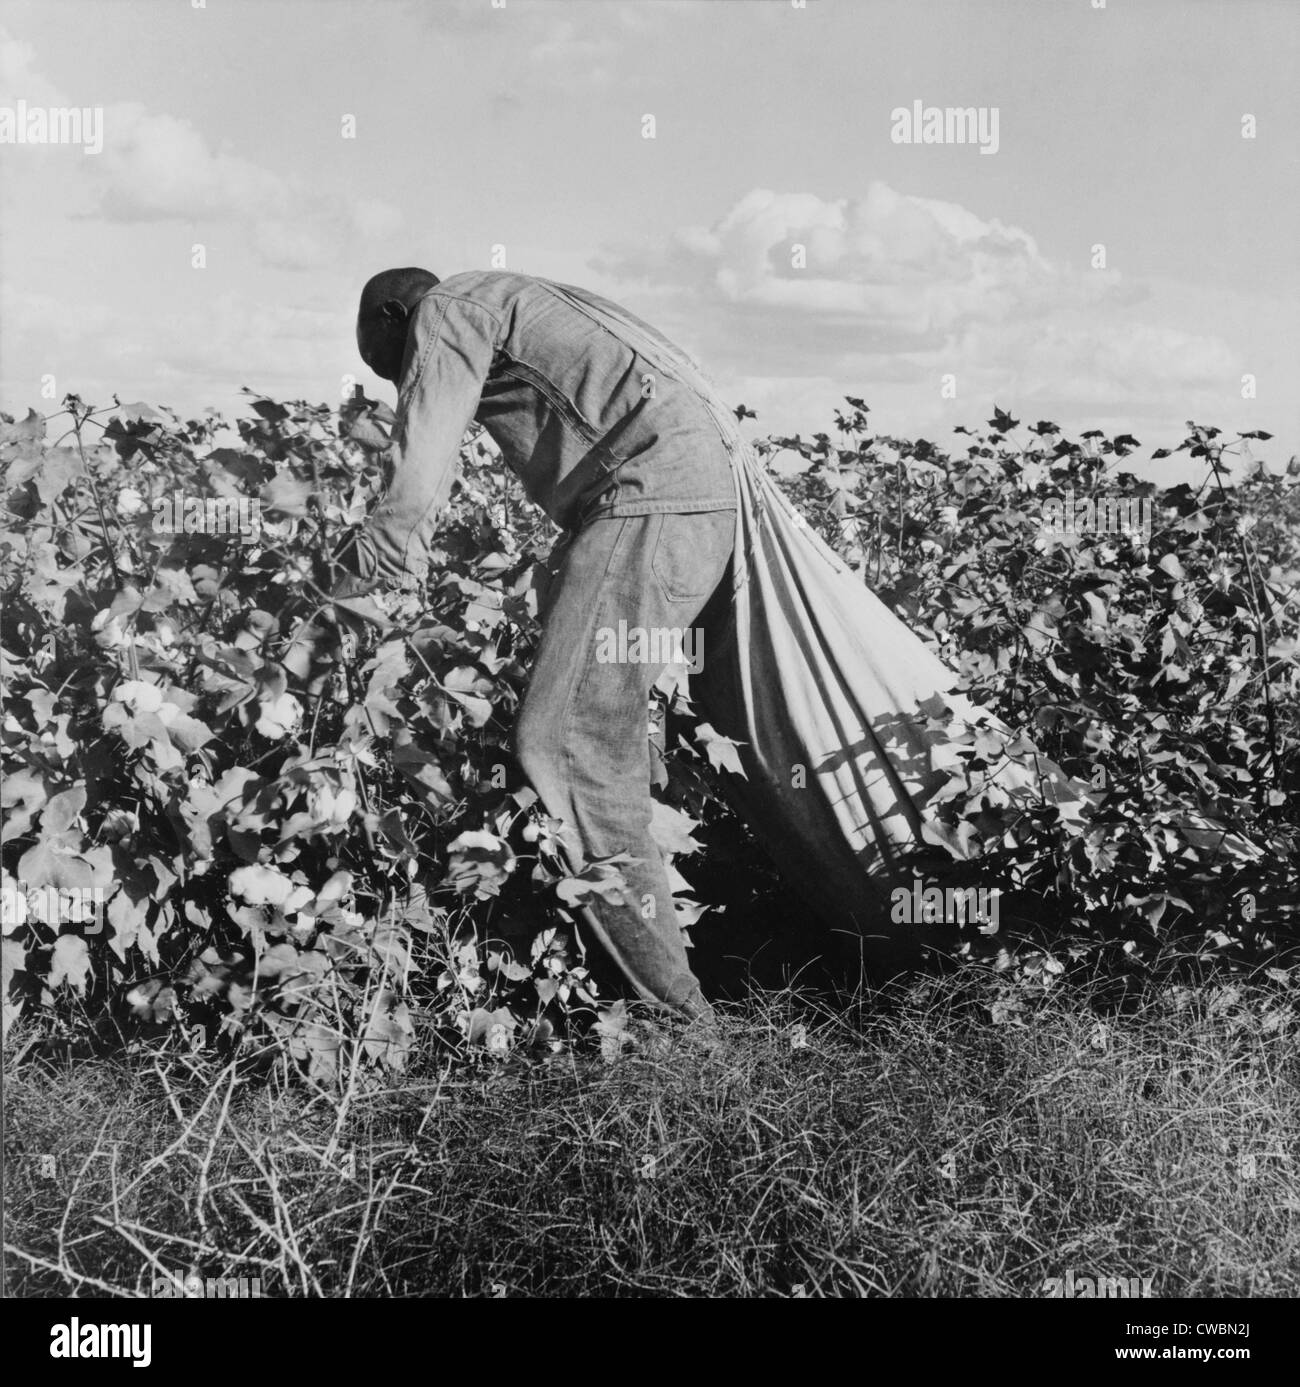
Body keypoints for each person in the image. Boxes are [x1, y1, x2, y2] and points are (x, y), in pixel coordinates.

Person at [336, 266, 744, 1042]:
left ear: (394, 315)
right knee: (602, 730)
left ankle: (682, 1029)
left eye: (396, 365)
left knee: (568, 746)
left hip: (648, 503)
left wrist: (354, 589)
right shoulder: (516, 298)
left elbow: (417, 475)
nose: (407, 383)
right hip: (695, 504)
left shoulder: (449, 308)